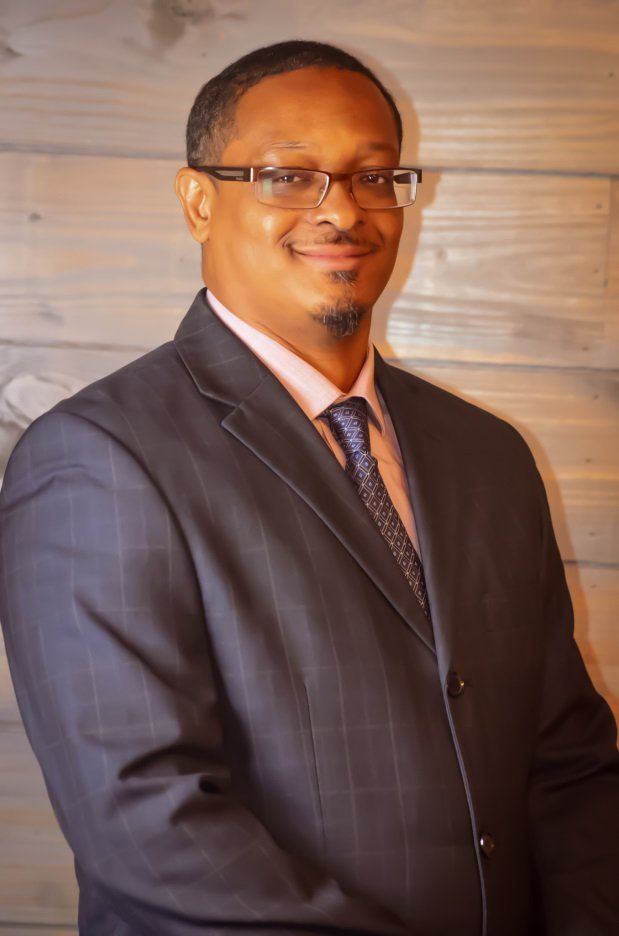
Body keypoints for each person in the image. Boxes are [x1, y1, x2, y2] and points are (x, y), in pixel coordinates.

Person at [0, 39, 617, 936]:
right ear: (199, 200)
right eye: (289, 176)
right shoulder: (99, 457)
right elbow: (148, 826)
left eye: (374, 177)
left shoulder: (488, 454)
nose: (343, 212)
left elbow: (568, 761)